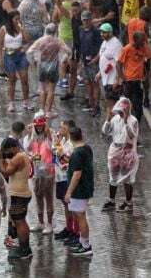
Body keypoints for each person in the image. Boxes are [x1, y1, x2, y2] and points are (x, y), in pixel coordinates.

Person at [0, 137, 33, 260]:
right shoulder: (22, 156)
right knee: (20, 221)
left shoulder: (19, 157)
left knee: (20, 222)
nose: (8, 153)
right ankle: (25, 248)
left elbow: (5, 172)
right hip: (21, 193)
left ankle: (24, 250)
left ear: (13, 147)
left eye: (8, 150)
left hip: (19, 194)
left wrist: (0, 159)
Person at [102, 97, 139, 212]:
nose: (120, 112)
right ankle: (111, 201)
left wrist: (126, 121)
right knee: (113, 177)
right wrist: (108, 119)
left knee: (127, 178)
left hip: (127, 151)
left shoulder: (133, 120)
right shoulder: (114, 119)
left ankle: (129, 203)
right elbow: (105, 131)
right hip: (114, 149)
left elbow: (132, 135)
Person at [27, 23, 71, 117]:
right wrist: (64, 59)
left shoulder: (40, 40)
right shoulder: (58, 41)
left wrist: (33, 62)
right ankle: (48, 111)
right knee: (51, 90)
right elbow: (69, 51)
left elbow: (29, 52)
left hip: (42, 66)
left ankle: (41, 110)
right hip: (53, 67)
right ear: (55, 31)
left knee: (42, 89)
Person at [64, 125, 94, 256]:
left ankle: (86, 245)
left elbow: (77, 174)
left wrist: (69, 192)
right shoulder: (86, 148)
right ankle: (82, 241)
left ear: (70, 138)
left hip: (79, 190)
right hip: (86, 187)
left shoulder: (77, 153)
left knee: (81, 216)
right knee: (80, 215)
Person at [24, 113, 55, 234]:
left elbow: (53, 148)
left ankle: (50, 224)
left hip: (48, 172)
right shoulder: (31, 136)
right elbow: (27, 147)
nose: (39, 128)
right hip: (36, 172)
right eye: (37, 126)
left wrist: (48, 134)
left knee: (48, 197)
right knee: (38, 197)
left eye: (41, 126)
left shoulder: (50, 135)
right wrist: (31, 134)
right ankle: (40, 222)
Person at [0, 11, 31, 112]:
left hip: (21, 54)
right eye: (16, 19)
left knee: (24, 79)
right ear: (10, 19)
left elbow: (27, 39)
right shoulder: (4, 29)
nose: (18, 21)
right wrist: (0, 58)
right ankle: (11, 103)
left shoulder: (20, 27)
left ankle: (26, 101)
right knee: (12, 80)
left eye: (18, 18)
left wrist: (22, 28)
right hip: (9, 55)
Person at [118, 31, 150, 125]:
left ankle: (134, 128)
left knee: (138, 108)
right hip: (129, 81)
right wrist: (122, 78)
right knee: (126, 106)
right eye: (141, 42)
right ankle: (124, 126)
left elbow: (148, 60)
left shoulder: (143, 47)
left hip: (138, 81)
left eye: (143, 42)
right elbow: (118, 64)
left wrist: (147, 75)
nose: (142, 44)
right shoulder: (127, 49)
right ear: (135, 41)